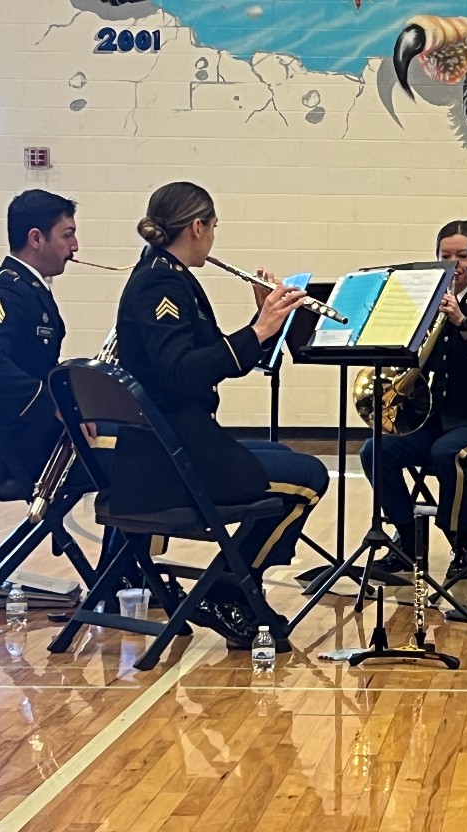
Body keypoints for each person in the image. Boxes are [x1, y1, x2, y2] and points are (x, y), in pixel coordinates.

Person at [115, 181, 329, 647]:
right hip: (170, 458)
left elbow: (213, 357)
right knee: (309, 475)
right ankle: (227, 590)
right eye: (212, 227)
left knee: (276, 453)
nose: (213, 238)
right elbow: (179, 374)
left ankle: (228, 587)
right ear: (197, 226)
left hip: (176, 441)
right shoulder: (160, 282)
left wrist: (265, 327)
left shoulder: (166, 274)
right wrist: (259, 328)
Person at [359, 220, 467, 583]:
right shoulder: (429, 303)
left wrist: (462, 321)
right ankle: (407, 539)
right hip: (437, 418)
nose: (455, 264)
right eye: (445, 256)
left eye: (463, 256)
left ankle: (463, 546)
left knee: (448, 454)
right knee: (376, 449)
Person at [0, 190, 79, 500]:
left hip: (29, 433)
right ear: (36, 238)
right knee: (136, 455)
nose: (74, 246)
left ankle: (123, 551)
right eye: (67, 235)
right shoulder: (4, 290)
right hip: (15, 445)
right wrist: (53, 404)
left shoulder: (27, 287)